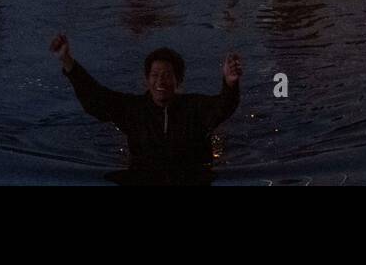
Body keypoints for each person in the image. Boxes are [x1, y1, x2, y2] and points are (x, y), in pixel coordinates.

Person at [50, 34, 242, 181]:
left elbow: (223, 106)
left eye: (167, 75)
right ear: (146, 80)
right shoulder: (134, 110)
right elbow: (96, 98)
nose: (160, 81)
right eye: (155, 74)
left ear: (178, 81)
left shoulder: (195, 108)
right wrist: (67, 61)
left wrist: (230, 84)